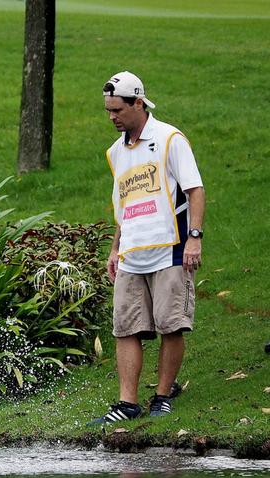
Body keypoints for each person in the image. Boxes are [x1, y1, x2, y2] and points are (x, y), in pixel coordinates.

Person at [90, 71, 205, 425]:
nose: (112, 117)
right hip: (131, 253)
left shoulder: (170, 138)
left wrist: (194, 237)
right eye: (108, 111)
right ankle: (127, 404)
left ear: (138, 103)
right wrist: (115, 249)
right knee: (125, 328)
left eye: (117, 110)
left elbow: (195, 190)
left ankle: (163, 396)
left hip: (171, 248)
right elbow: (123, 206)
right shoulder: (116, 152)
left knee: (171, 325)